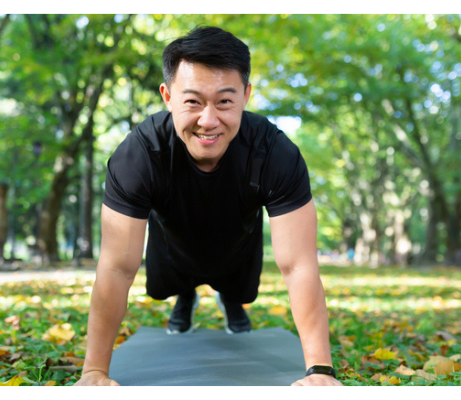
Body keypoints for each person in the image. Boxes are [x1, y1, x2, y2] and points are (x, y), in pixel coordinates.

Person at [74, 26, 341, 387]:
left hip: (237, 242)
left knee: (239, 289)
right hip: (171, 242)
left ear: (246, 95)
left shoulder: (274, 153)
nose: (209, 120)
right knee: (167, 283)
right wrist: (93, 372)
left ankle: (227, 296)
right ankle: (186, 294)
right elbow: (116, 268)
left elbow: (299, 266)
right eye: (193, 102)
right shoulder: (139, 155)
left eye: (225, 102)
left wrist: (320, 371)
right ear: (168, 96)